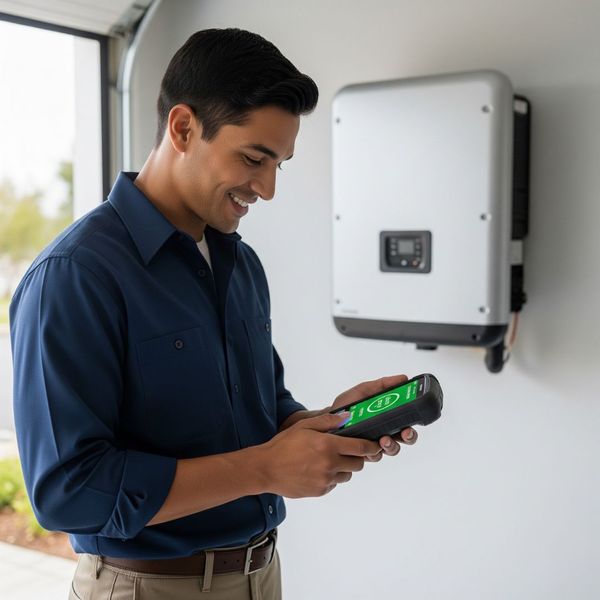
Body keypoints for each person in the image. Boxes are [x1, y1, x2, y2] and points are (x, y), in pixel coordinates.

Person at [10, 28, 417, 599]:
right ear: (182, 128)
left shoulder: (240, 263)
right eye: (254, 159)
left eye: (279, 164)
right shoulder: (76, 275)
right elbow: (69, 493)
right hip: (146, 588)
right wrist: (265, 469)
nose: (268, 189)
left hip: (261, 576)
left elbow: (259, 414)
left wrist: (321, 428)